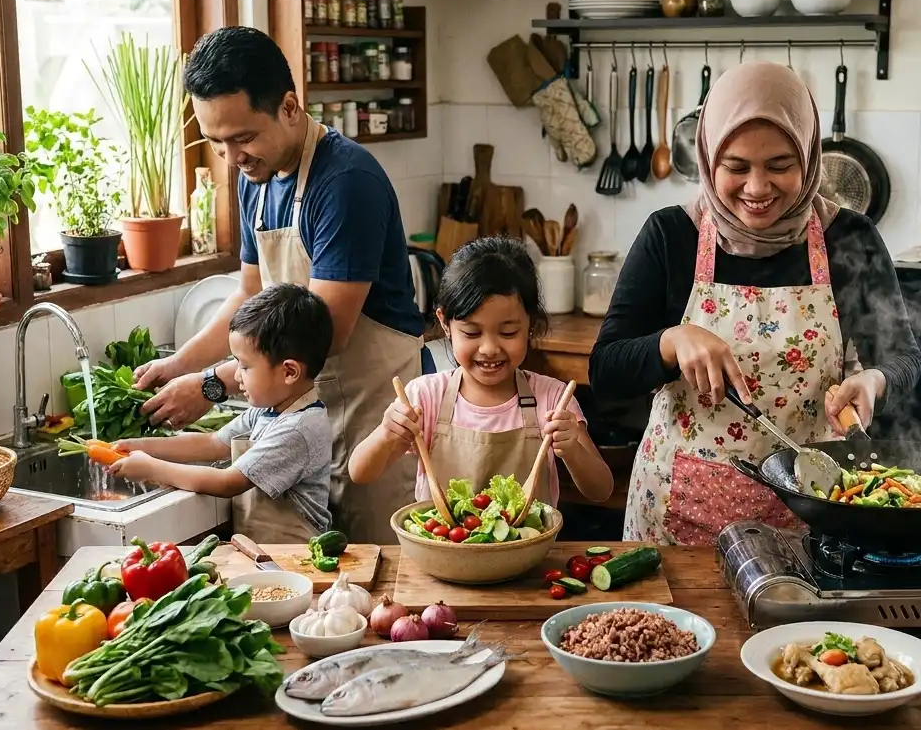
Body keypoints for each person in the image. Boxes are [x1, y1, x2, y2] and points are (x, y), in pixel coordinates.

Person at [589, 61, 921, 546]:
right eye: (736, 167)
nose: (758, 188)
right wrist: (670, 342)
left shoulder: (849, 239)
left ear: (809, 158)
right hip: (679, 514)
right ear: (708, 158)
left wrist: (875, 380)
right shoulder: (671, 236)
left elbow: (905, 359)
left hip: (812, 508)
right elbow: (606, 371)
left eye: (781, 166)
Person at [132, 27, 428, 544]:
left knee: (379, 586)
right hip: (297, 418)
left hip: (371, 417)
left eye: (243, 137)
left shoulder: (345, 182)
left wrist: (212, 384)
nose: (232, 157)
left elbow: (325, 333)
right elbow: (249, 296)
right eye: (216, 141)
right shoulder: (256, 179)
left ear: (289, 106)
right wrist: (180, 364)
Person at [349, 237, 614, 507]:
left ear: (531, 324)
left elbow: (601, 489)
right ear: (445, 323)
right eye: (472, 332)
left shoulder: (552, 399)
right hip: (441, 549)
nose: (489, 348)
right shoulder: (426, 396)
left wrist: (572, 450)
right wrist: (386, 433)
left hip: (530, 549)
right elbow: (359, 473)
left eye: (508, 332)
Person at [109, 284, 334, 543]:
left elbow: (229, 482)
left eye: (245, 366)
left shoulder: (299, 428)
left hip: (298, 555)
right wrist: (138, 447)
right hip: (265, 549)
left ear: (289, 372)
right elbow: (213, 443)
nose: (236, 376)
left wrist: (151, 468)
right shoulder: (268, 410)